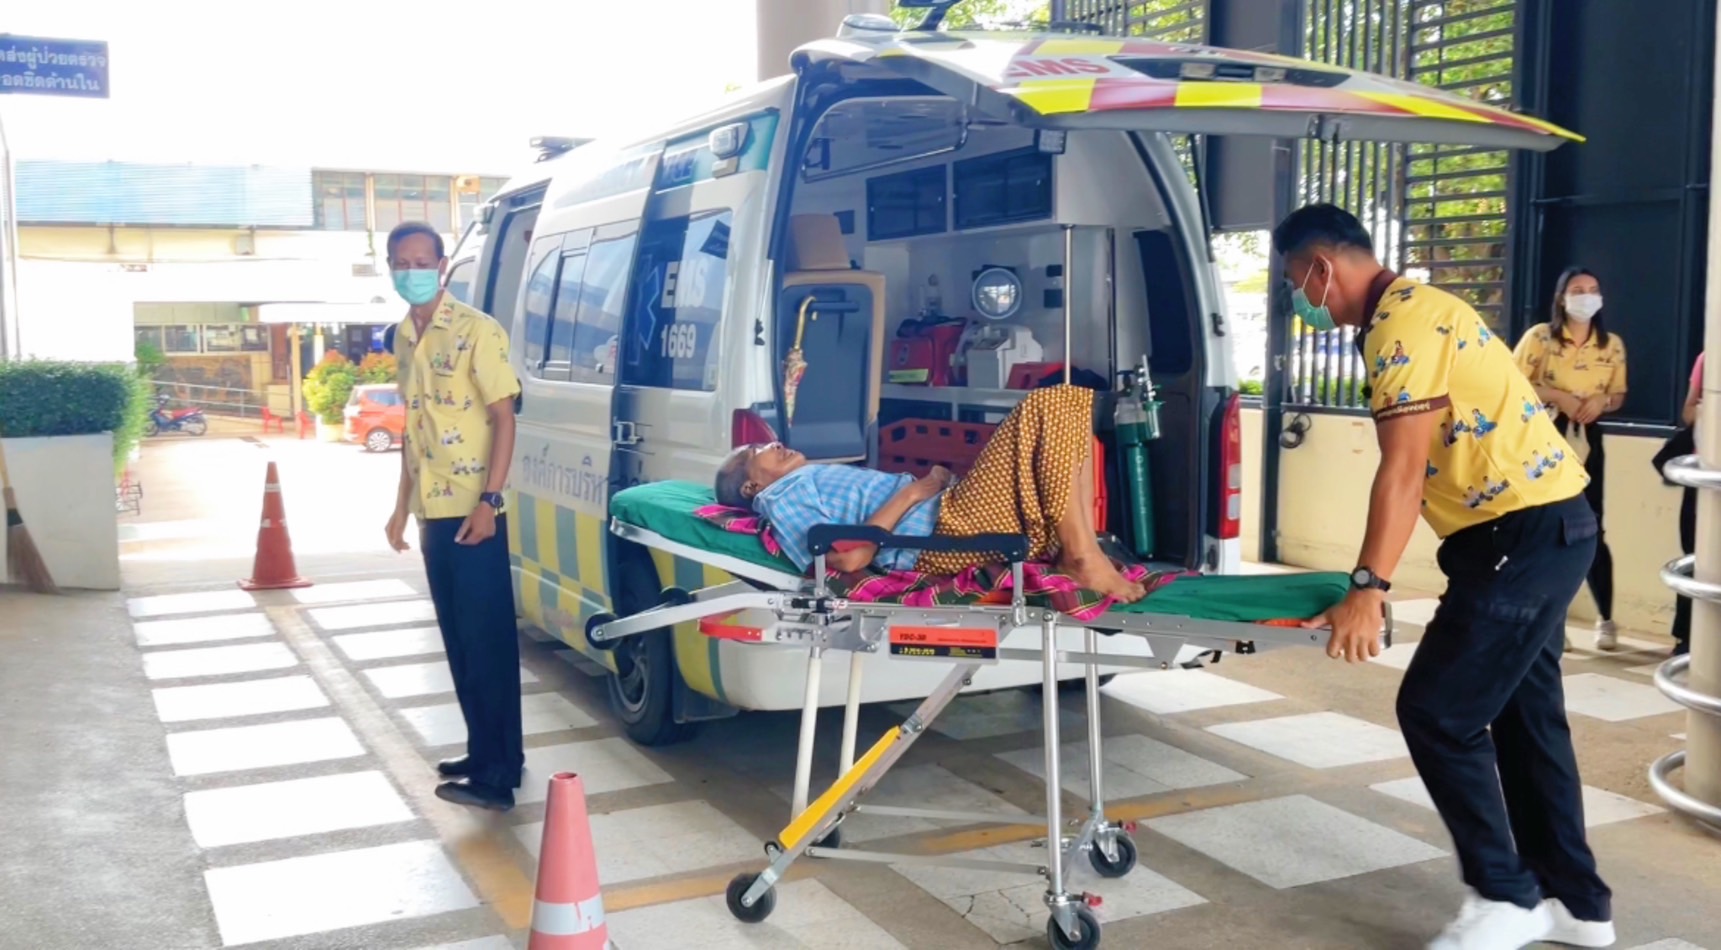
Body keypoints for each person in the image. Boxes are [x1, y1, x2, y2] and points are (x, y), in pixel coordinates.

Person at [1274, 204, 1613, 950]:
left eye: (1298, 281)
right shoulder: (1416, 309)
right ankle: (1577, 903)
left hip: (1518, 537)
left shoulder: (1400, 326)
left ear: (1321, 267)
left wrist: (1367, 588)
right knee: (1527, 718)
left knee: (1438, 711)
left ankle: (1505, 895)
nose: (1302, 298)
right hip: (1548, 526)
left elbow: (1398, 474)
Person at [715, 385, 1146, 603]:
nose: (773, 444)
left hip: (951, 514)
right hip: (944, 530)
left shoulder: (803, 478)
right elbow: (844, 558)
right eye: (759, 450)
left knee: (1069, 412)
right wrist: (915, 492)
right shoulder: (781, 496)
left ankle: (1083, 548)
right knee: (1051, 404)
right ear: (753, 486)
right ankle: (1082, 558)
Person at [383, 221, 525, 812]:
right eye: (401, 261)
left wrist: (490, 503)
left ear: (442, 266)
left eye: (422, 260)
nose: (412, 269)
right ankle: (487, 751)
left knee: (487, 642)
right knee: (461, 643)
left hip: (473, 512)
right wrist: (398, 509)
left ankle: (497, 775)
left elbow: (506, 418)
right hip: (430, 511)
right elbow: (413, 431)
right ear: (390, 267)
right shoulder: (402, 337)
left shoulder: (474, 330)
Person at [1513, 268, 1628, 651]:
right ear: (1562, 297)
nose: (1586, 297)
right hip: (1546, 434)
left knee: (1591, 526)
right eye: (1578, 290)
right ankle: (1550, 621)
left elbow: (1618, 395)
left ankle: (1606, 618)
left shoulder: (1610, 345)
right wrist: (1556, 395)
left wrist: (1602, 401)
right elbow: (1510, 383)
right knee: (1546, 527)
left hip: (1589, 439)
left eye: (1593, 290)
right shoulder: (1540, 338)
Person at [1668, 352, 1702, 656]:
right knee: (1693, 555)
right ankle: (1685, 638)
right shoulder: (1708, 360)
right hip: (1704, 476)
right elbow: (1687, 412)